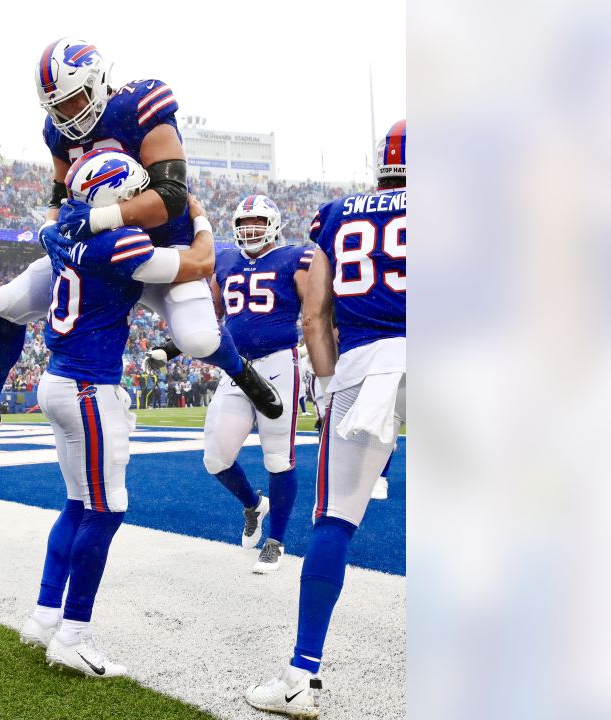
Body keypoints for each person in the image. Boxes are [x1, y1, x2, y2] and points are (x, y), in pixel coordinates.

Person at [0, 37, 280, 432]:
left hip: (162, 246)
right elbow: (61, 193)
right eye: (57, 105)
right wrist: (49, 226)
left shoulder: (140, 105)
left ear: (96, 82)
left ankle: (243, 373)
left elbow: (172, 196)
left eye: (74, 99)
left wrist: (98, 220)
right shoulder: (57, 131)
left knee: (197, 339)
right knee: (4, 302)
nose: (66, 113)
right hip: (100, 253)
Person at [17, 149, 217, 678]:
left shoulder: (63, 232)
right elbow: (201, 264)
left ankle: (43, 616)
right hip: (88, 386)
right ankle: (73, 633)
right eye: (129, 197)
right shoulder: (119, 240)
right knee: (107, 510)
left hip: (58, 377)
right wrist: (199, 216)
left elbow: (56, 228)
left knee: (79, 504)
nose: (137, 206)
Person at [244, 120, 407, 717]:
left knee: (335, 520)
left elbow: (314, 316)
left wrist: (330, 386)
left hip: (366, 362)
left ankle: (300, 679)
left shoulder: (339, 215)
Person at [195, 195, 317, 573]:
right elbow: (210, 313)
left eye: (258, 222)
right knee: (215, 457)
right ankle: (253, 505)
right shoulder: (225, 259)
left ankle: (276, 540)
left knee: (278, 456)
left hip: (279, 363)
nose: (250, 229)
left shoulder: (295, 258)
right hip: (237, 368)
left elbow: (315, 308)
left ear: (274, 224)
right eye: (244, 222)